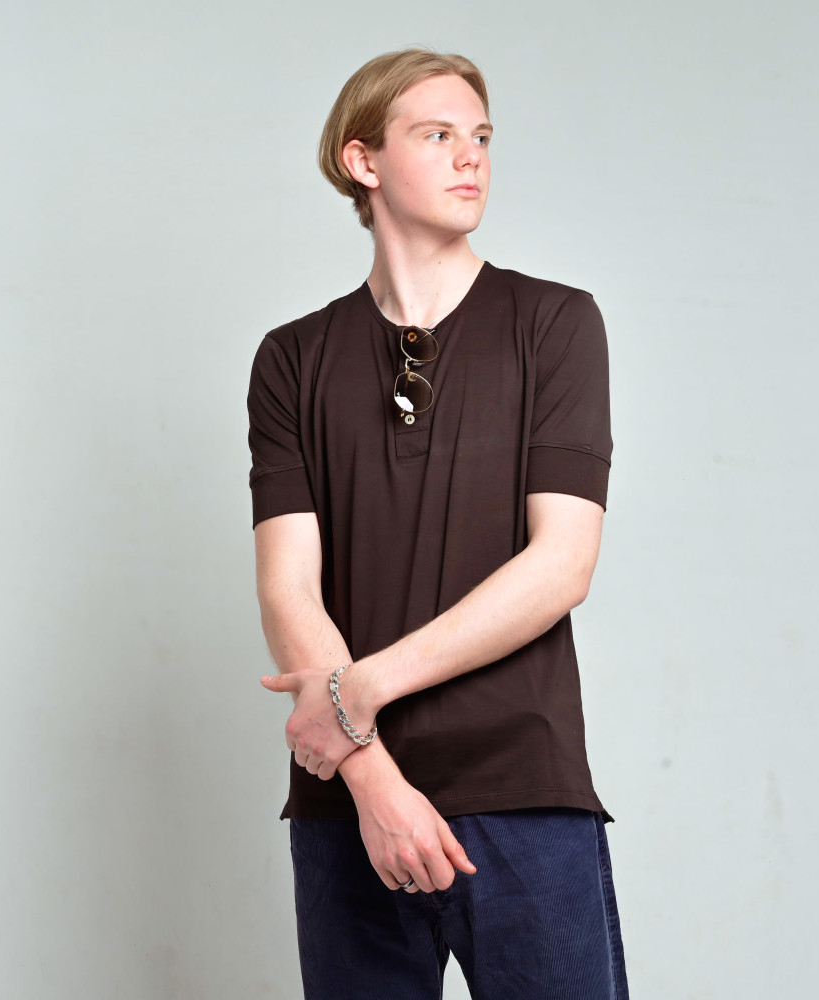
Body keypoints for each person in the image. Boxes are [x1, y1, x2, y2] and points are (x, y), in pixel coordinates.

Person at [246, 48, 630, 998]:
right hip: (346, 802)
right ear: (363, 161)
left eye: (482, 138)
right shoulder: (291, 359)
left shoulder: (555, 324)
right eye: (438, 134)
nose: (472, 158)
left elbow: (562, 565)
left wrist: (356, 694)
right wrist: (368, 772)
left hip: (521, 790)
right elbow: (288, 588)